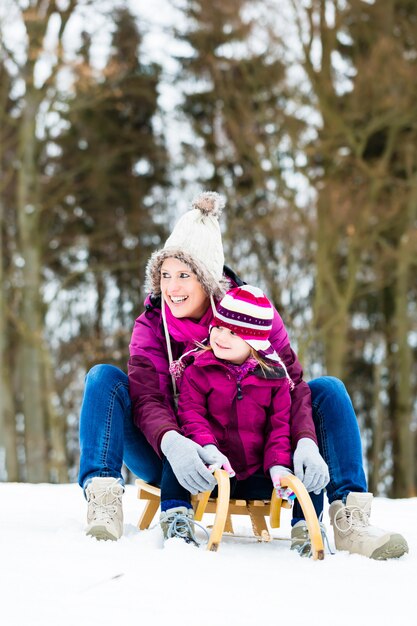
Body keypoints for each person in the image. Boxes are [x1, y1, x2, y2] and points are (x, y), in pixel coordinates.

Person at [78, 191, 408, 559]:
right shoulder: (152, 325)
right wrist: (172, 441)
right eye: (165, 275)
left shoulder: (253, 315)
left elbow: (292, 383)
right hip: (173, 456)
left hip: (258, 455)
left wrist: (304, 440)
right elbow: (146, 397)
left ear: (208, 277)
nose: (172, 288)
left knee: (327, 390)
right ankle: (104, 498)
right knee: (103, 379)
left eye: (184, 275)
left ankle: (350, 519)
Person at [159, 284, 296, 543]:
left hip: (257, 472)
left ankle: (305, 525)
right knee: (179, 452)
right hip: (210, 468)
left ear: (254, 340)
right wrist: (208, 448)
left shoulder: (275, 380)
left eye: (233, 332)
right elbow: (192, 415)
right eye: (219, 327)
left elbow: (279, 428)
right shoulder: (199, 370)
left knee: (299, 469)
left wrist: (278, 465)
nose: (221, 337)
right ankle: (176, 514)